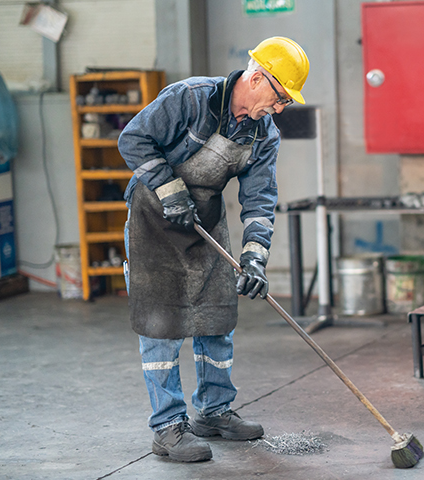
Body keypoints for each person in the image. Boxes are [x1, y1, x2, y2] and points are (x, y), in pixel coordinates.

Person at [118, 37, 309, 463]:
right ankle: (167, 428)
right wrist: (170, 191)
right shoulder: (189, 98)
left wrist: (255, 256)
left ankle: (214, 411)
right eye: (279, 98)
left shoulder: (264, 135)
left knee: (217, 317)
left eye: (284, 104)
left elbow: (260, 198)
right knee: (161, 325)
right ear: (258, 78)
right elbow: (133, 139)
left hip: (205, 220)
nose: (278, 110)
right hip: (153, 219)